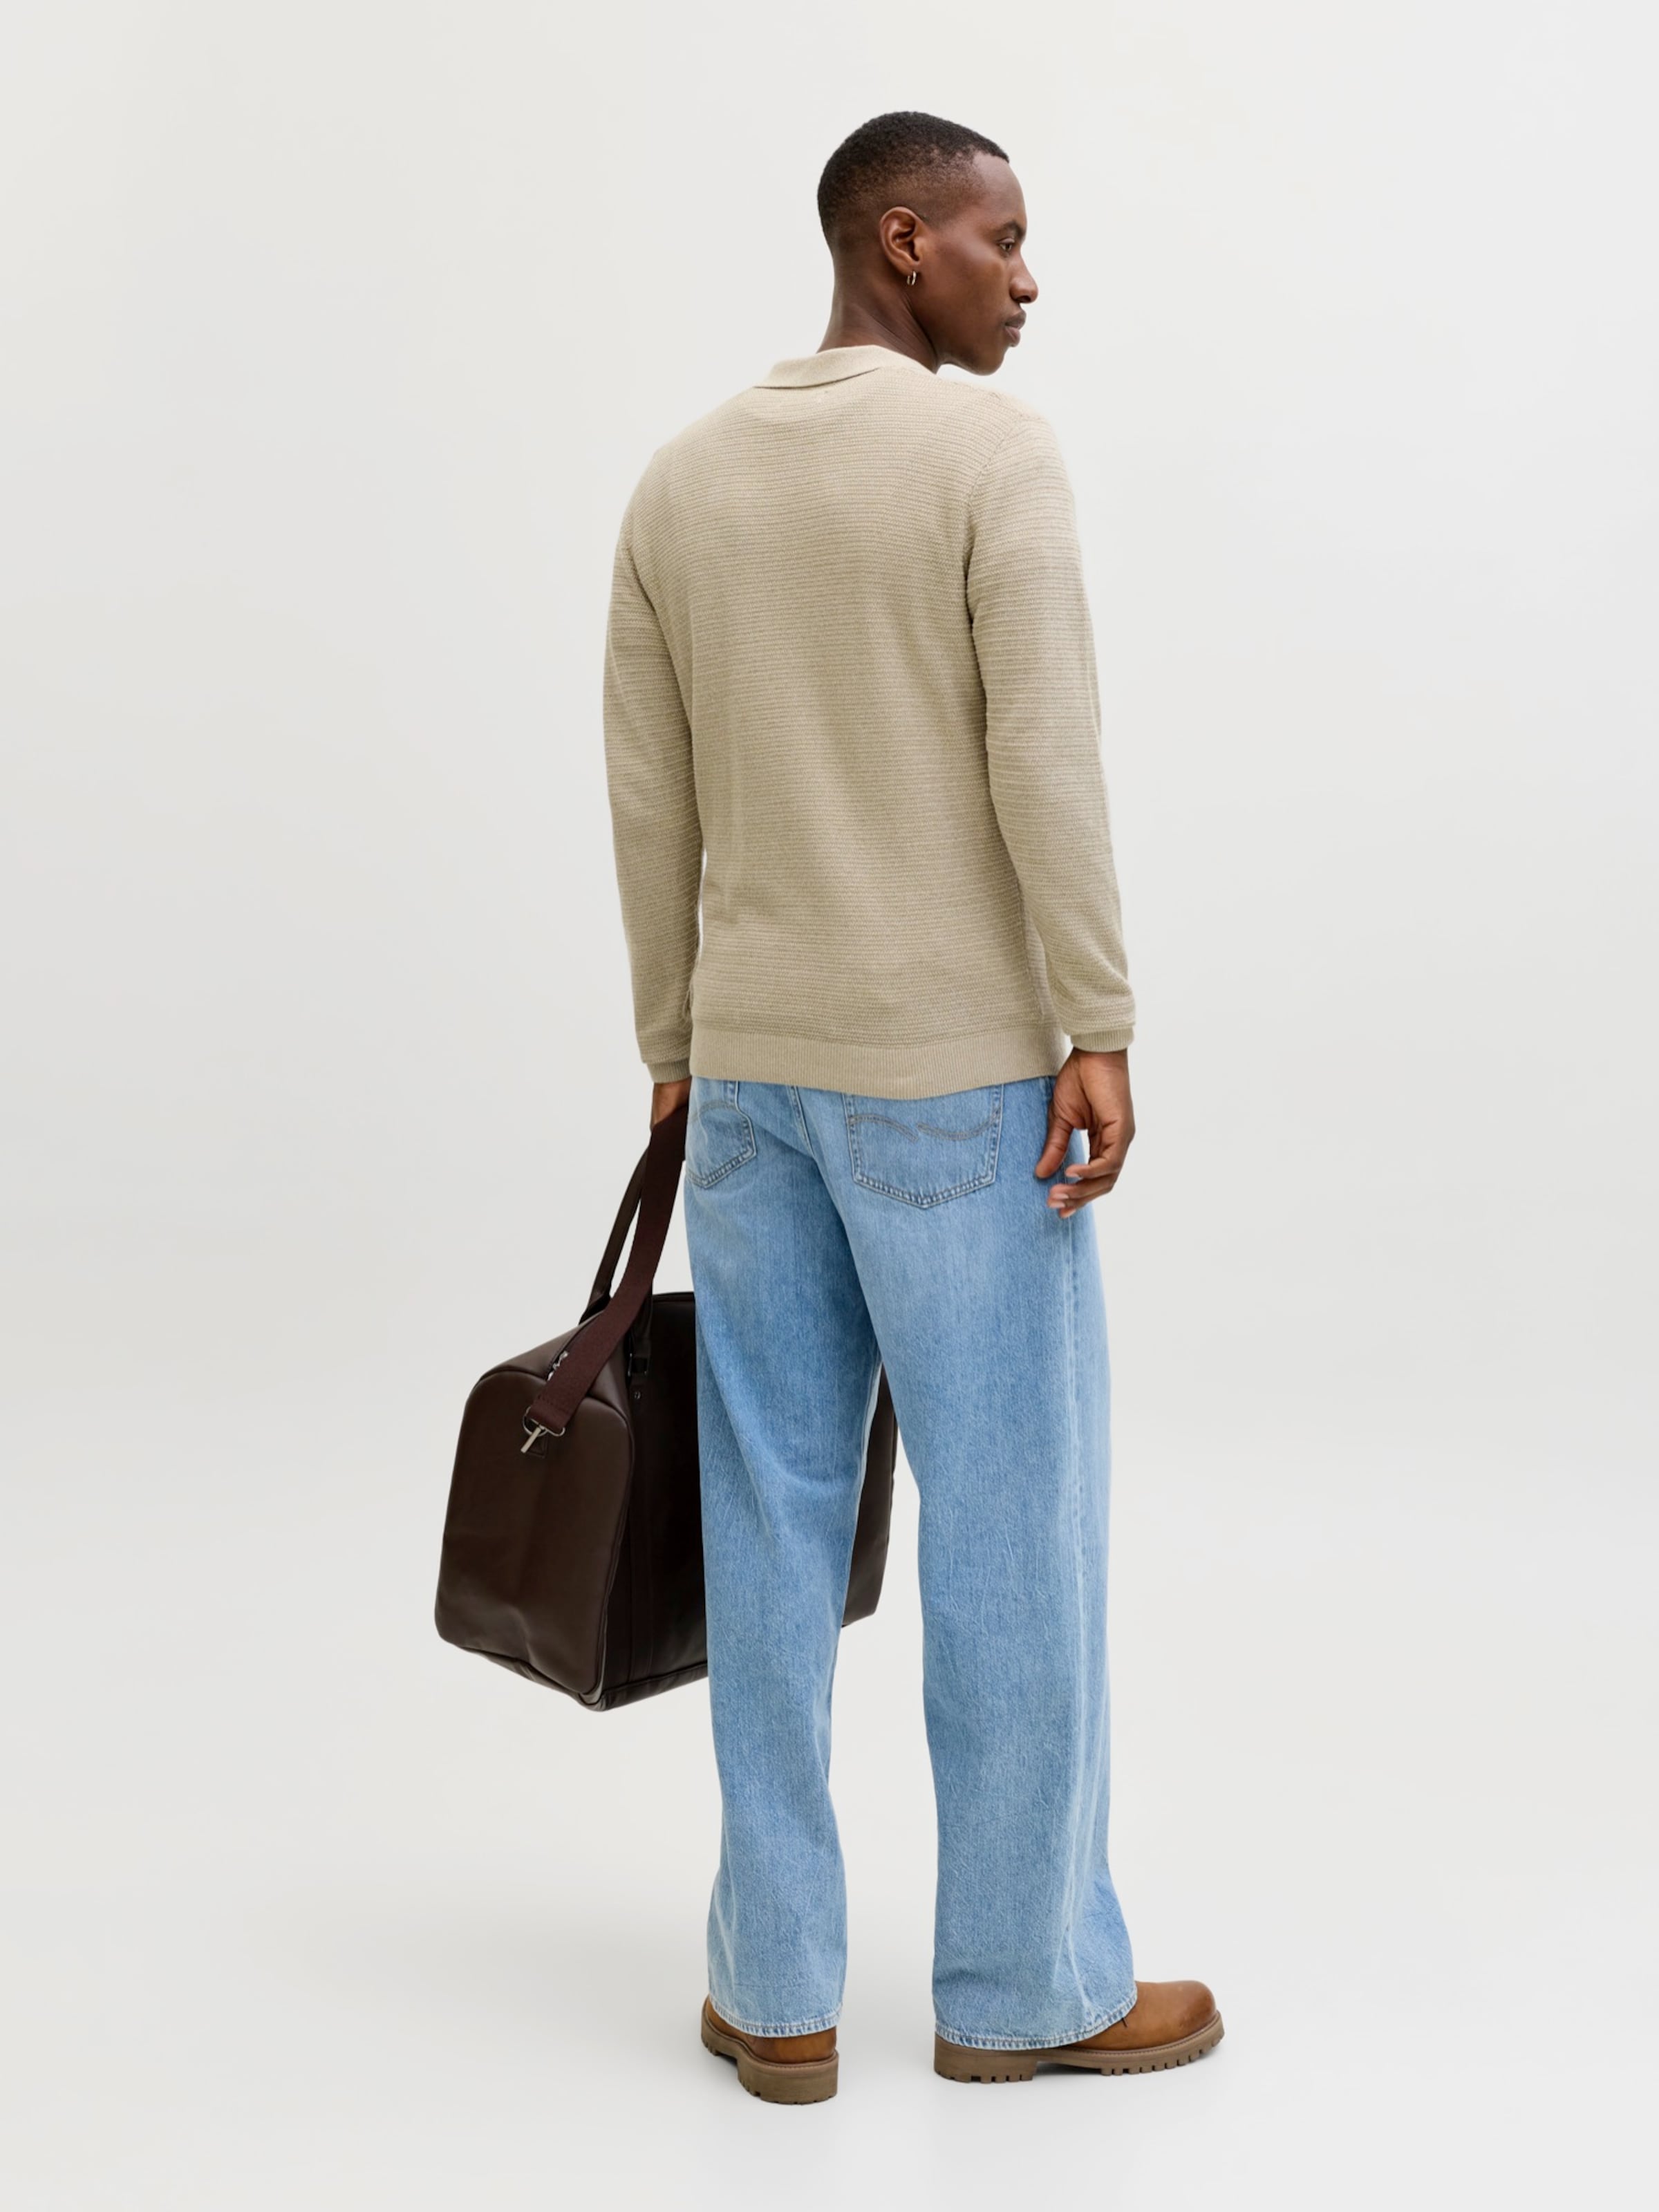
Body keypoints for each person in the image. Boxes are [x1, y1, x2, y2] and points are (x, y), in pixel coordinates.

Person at [601, 109, 1220, 2103]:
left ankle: (775, 1987)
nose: (1027, 277)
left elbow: (648, 793)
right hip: (958, 1078)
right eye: (999, 238)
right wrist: (1096, 1015)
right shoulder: (986, 456)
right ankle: (1024, 1986)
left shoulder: (682, 480)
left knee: (766, 1519)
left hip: (751, 1080)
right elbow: (1046, 747)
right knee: (1012, 1528)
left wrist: (676, 1041)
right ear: (899, 240)